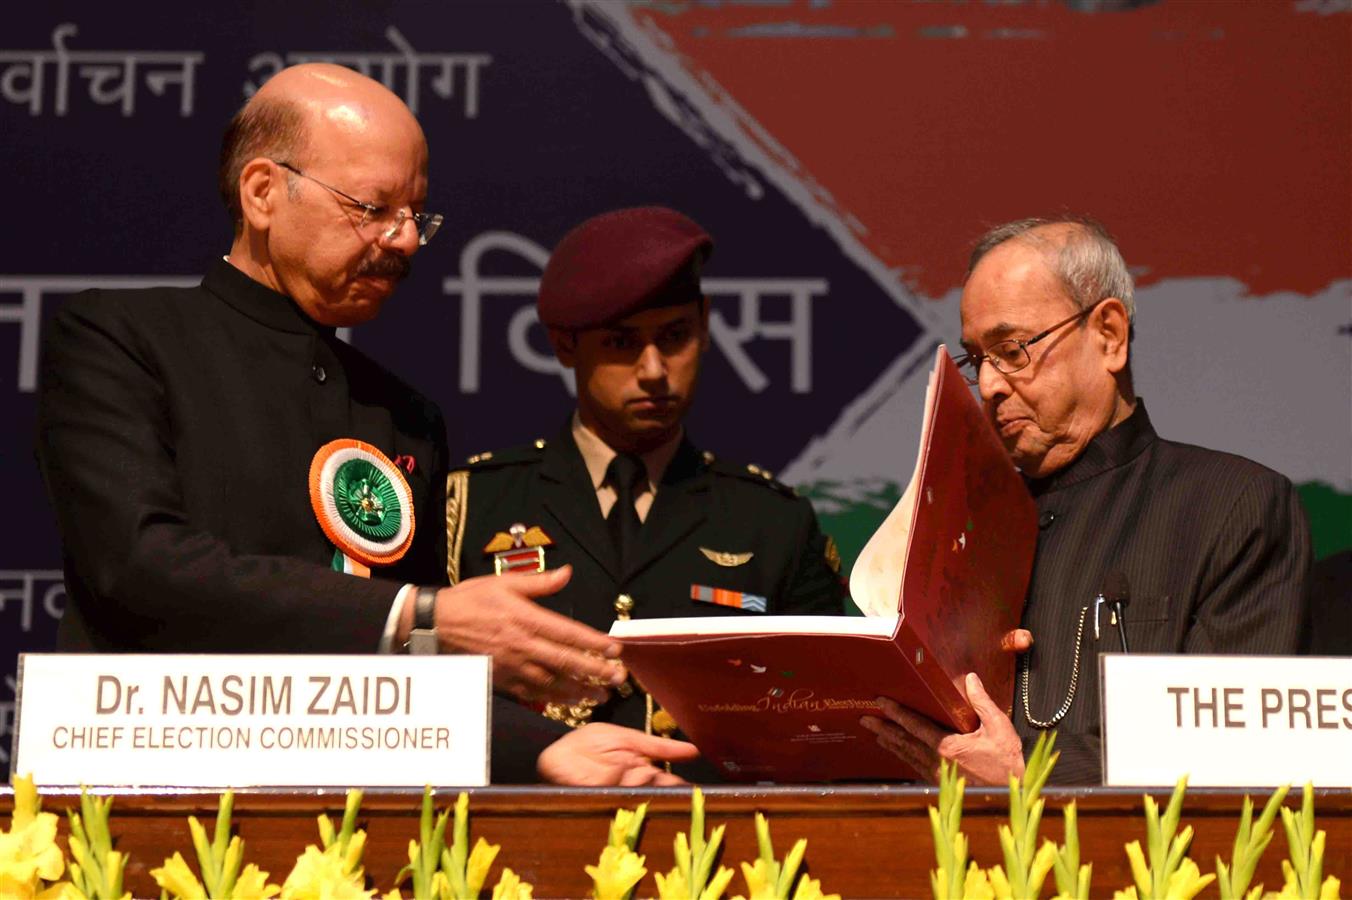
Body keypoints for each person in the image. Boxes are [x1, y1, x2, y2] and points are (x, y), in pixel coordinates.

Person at [34, 62, 686, 785]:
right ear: (263, 193)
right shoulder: (121, 336)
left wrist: (541, 746)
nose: (405, 241)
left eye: (417, 215)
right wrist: (421, 611)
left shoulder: (402, 414)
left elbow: (413, 671)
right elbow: (137, 566)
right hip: (149, 788)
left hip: (359, 816)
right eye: (373, 209)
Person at [860, 217, 1311, 784]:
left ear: (1109, 336)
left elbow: (1235, 751)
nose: (993, 386)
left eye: (1013, 349)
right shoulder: (954, 531)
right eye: (978, 360)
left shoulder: (1234, 506)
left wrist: (1027, 773)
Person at [444, 206, 846, 772]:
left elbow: (826, 724)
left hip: (715, 833)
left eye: (675, 336)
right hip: (522, 826)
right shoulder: (470, 504)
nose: (654, 369)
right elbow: (420, 705)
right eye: (621, 343)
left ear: (705, 325)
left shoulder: (774, 522)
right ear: (564, 346)